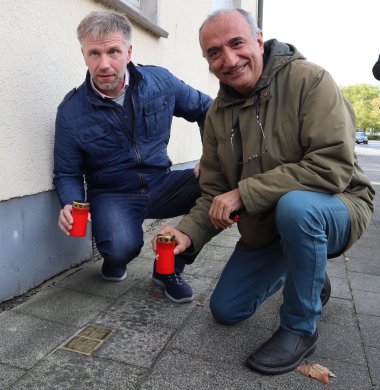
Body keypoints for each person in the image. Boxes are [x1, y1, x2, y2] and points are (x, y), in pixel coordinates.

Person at [152, 8, 374, 374]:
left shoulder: (310, 80)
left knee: (297, 208)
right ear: (207, 61)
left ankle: (300, 329)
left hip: (337, 206)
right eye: (214, 52)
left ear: (258, 40)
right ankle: (308, 269)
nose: (229, 59)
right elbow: (213, 192)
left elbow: (331, 166)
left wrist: (244, 193)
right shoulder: (218, 115)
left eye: (237, 43)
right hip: (268, 225)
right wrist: (186, 232)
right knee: (225, 310)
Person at [53, 10, 212, 304]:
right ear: (83, 55)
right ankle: (115, 256)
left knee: (219, 189)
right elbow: (67, 172)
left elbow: (208, 110)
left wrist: (211, 157)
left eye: (113, 51)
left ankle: (169, 268)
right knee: (120, 248)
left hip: (160, 184)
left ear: (128, 51)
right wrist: (68, 202)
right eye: (94, 53)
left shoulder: (160, 82)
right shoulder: (71, 112)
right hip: (113, 194)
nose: (104, 64)